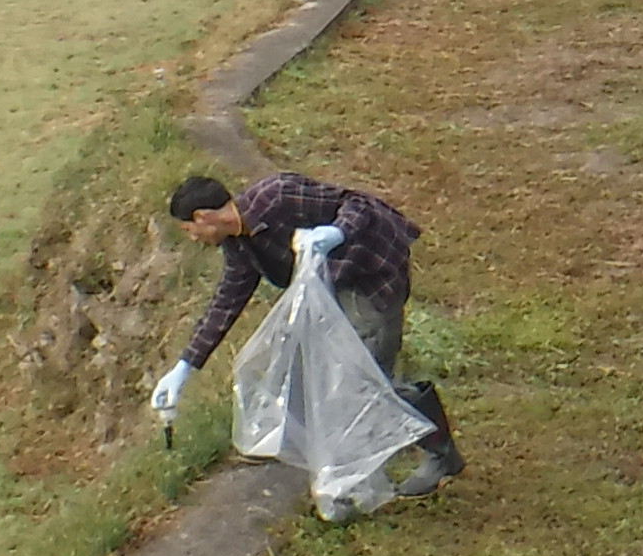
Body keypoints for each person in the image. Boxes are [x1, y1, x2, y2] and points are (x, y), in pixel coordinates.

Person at [148, 167, 464, 488]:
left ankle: (438, 452)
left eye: (190, 229)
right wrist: (185, 366)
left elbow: (358, 205)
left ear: (203, 217)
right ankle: (300, 441)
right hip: (332, 285)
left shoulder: (279, 196)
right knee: (305, 356)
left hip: (371, 271)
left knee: (366, 377)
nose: (193, 238)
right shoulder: (239, 245)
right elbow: (226, 302)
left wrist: (337, 233)